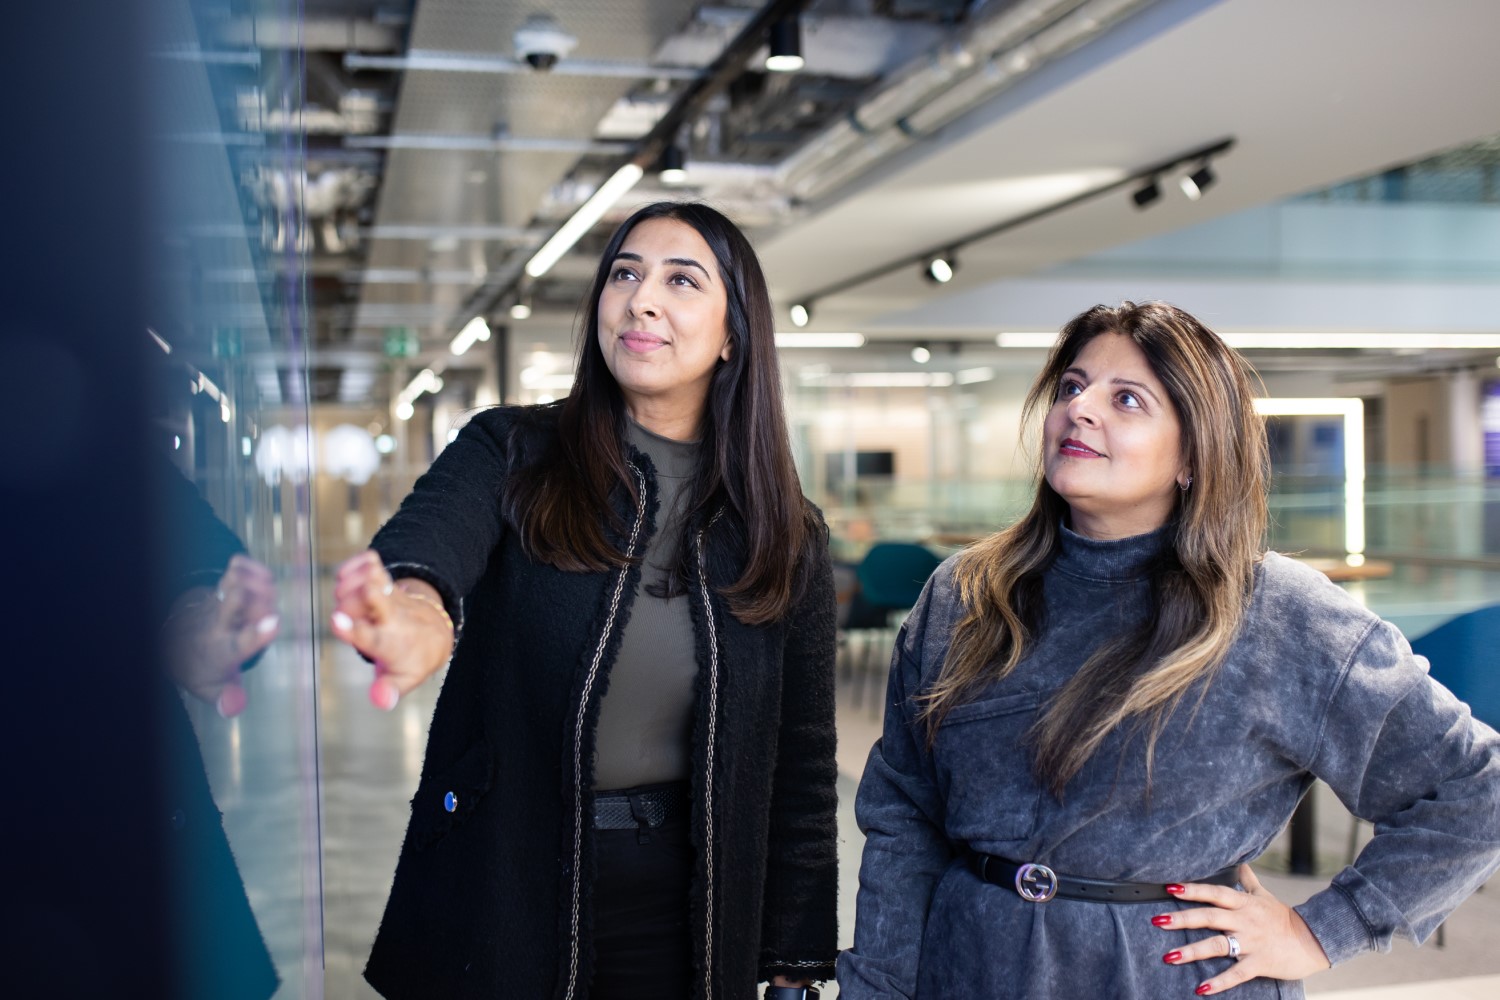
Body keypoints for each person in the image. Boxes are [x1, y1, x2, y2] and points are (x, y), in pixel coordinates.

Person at [838, 301, 1500, 999]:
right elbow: (903, 818)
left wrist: (1324, 929)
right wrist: (874, 986)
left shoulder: (1282, 615)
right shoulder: (966, 595)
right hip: (971, 966)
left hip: (1169, 978)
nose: (1080, 408)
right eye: (1071, 386)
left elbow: (1474, 787)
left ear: (1192, 454)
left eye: (1127, 399)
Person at [331, 202, 840, 999]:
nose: (641, 299)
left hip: (691, 909)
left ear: (734, 333)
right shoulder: (513, 450)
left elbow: (801, 768)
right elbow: (434, 539)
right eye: (625, 274)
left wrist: (793, 962)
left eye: (681, 280)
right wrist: (415, 605)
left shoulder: (784, 534)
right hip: (509, 881)